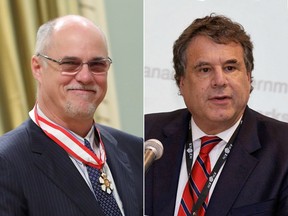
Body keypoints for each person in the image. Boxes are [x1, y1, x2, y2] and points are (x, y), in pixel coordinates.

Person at [145, 14, 288, 216]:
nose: (219, 81)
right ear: (181, 82)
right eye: (204, 69)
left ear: (248, 77)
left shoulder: (283, 150)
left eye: (230, 68)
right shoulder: (145, 136)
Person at [0, 15, 143, 216]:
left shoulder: (137, 151)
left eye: (97, 65)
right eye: (69, 63)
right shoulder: (7, 162)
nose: (85, 77)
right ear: (38, 68)